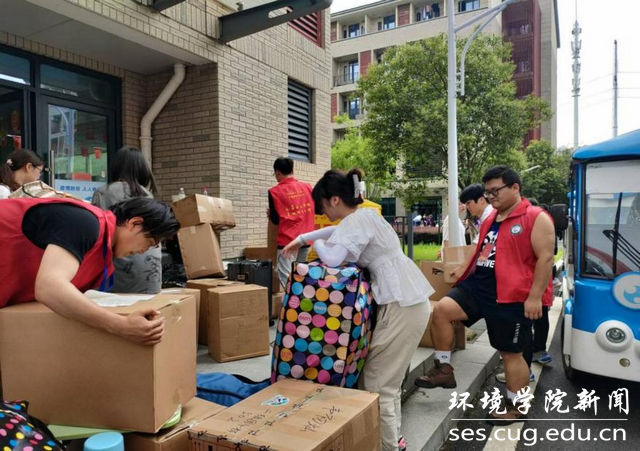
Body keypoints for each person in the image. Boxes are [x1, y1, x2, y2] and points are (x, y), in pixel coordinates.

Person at [282, 169, 433, 451]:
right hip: (407, 301)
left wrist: (316, 244)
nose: (323, 212)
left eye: (322, 204)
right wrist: (303, 238)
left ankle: (390, 446)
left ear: (334, 199)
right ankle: (394, 440)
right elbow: (336, 232)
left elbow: (334, 258)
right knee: (385, 382)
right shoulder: (365, 217)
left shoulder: (357, 221)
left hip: (401, 305)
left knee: (378, 385)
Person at [415, 166, 555, 425]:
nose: (491, 197)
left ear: (515, 187)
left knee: (510, 353)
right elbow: (481, 248)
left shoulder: (536, 217)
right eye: (488, 192)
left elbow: (546, 258)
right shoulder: (491, 219)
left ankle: (516, 406)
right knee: (441, 310)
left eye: (495, 191)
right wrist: (462, 267)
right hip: (478, 286)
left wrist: (535, 297)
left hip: (510, 296)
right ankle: (444, 368)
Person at [0, 196, 180, 345]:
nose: (143, 252)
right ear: (134, 223)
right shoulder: (84, 222)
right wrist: (121, 325)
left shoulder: (103, 259)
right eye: (149, 243)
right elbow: (49, 287)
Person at [92, 147, 162, 294]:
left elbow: (96, 231)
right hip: (151, 270)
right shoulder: (147, 194)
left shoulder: (104, 192)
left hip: (120, 269)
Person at [268, 157, 315, 288]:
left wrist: (270, 214)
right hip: (305, 239)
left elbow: (275, 220)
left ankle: (292, 300)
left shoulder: (274, 192)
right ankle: (302, 299)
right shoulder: (307, 187)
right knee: (300, 276)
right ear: (292, 171)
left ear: (277, 172)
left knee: (287, 278)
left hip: (287, 242)